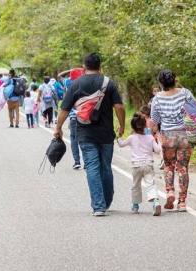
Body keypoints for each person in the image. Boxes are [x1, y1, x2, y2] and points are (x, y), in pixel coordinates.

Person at [54, 52, 126, 217]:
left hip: (85, 133)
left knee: (92, 167)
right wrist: (121, 125)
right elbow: (119, 107)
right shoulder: (109, 83)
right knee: (106, 167)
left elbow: (64, 109)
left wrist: (58, 127)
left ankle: (98, 206)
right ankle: (106, 202)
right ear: (100, 67)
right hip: (106, 133)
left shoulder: (76, 84)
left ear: (84, 67)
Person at [150, 69, 194, 212]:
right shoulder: (185, 93)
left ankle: (169, 191)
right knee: (183, 168)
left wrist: (153, 134)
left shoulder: (157, 98)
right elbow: (195, 111)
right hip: (184, 135)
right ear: (175, 79)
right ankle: (182, 202)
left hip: (168, 136)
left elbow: (154, 121)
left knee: (169, 165)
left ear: (160, 83)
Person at [117, 113, 162, 216]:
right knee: (150, 184)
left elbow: (120, 144)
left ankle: (135, 205)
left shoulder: (132, 137)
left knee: (136, 185)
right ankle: (155, 202)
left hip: (136, 165)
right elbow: (158, 149)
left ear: (133, 126)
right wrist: (159, 141)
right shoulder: (150, 137)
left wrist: (119, 134)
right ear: (145, 126)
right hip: (148, 164)